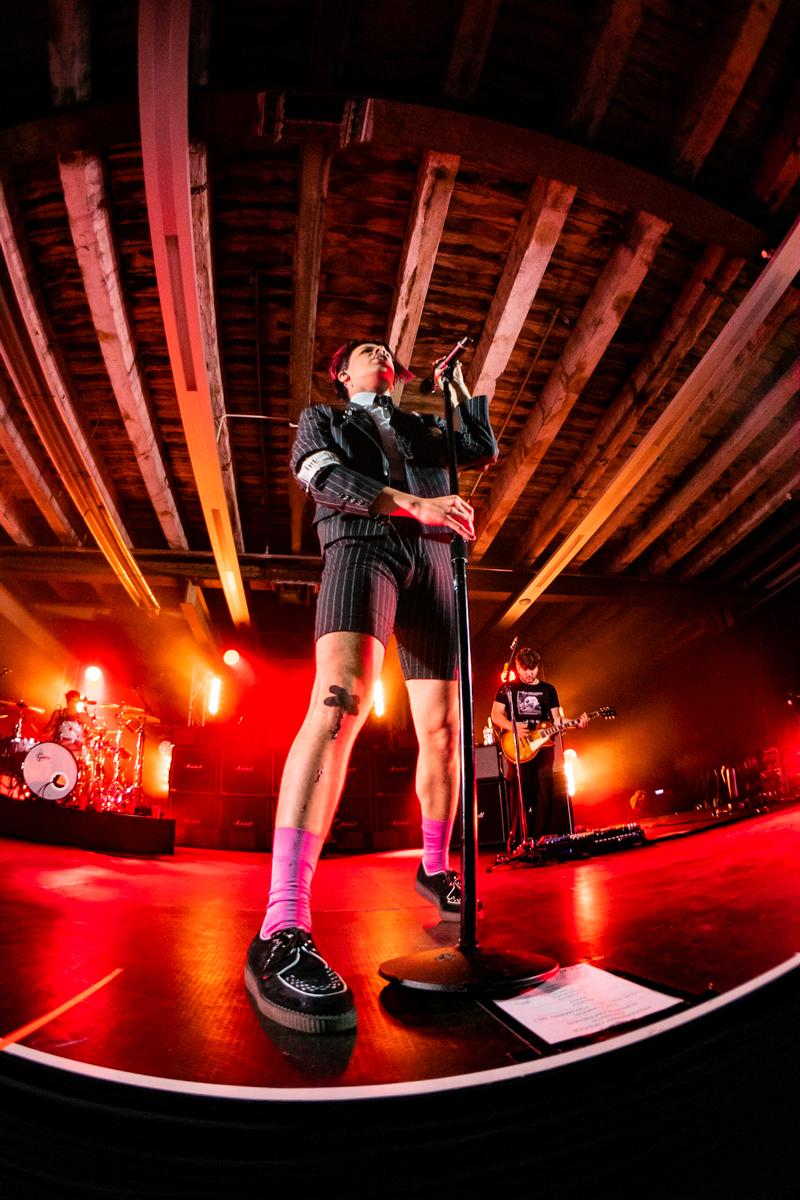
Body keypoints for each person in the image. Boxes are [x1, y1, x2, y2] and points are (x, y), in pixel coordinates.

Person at [245, 339, 497, 1034]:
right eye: (364, 350)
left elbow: (479, 445)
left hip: (433, 558)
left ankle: (435, 865)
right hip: (364, 542)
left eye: (387, 350)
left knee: (446, 730)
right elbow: (326, 480)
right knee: (340, 701)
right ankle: (281, 925)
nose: (378, 352)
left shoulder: (419, 425)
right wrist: (416, 505)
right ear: (342, 373)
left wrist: (456, 385)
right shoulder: (323, 419)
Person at [491, 648, 587, 844]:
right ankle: (518, 841)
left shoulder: (548, 689)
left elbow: (557, 720)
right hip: (518, 746)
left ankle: (539, 839)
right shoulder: (507, 689)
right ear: (517, 667)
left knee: (545, 791)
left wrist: (576, 722)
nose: (530, 673)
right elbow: (495, 714)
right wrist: (513, 727)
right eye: (525, 669)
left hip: (544, 746)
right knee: (521, 793)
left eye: (533, 669)